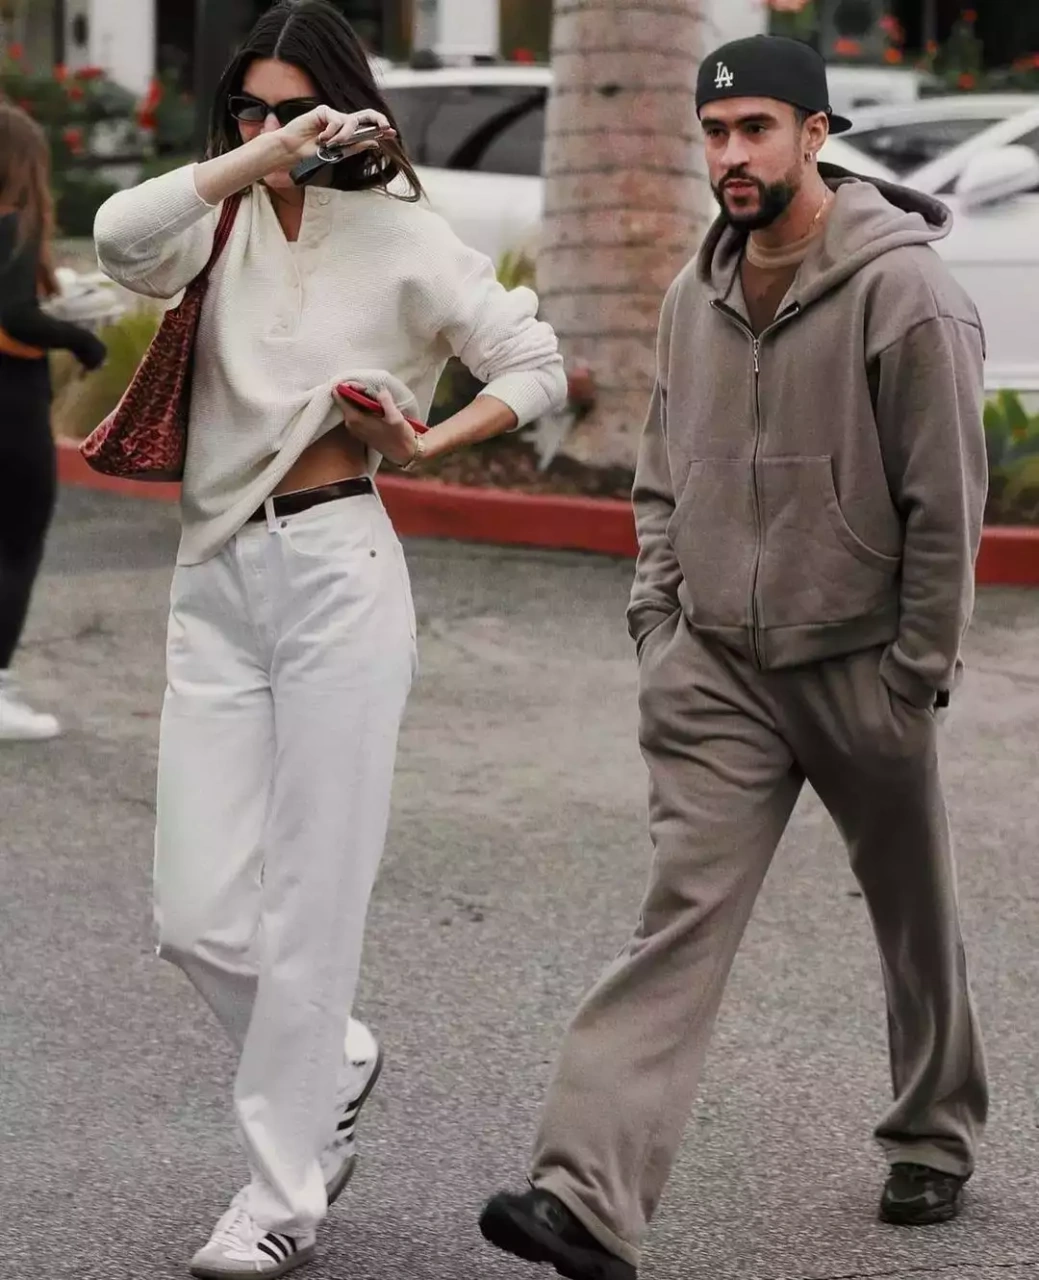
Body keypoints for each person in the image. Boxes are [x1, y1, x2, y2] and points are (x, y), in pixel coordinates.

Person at [480, 34, 988, 1280]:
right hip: (714, 666)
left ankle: (932, 1130)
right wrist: (659, 618)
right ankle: (583, 1196)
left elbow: (946, 503)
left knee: (913, 916)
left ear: (816, 133)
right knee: (678, 919)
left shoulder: (905, 293)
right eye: (714, 133)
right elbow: (660, 473)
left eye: (756, 128)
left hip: (860, 661)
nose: (730, 155)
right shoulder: (690, 292)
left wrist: (915, 670)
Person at [92, 2, 565, 1276]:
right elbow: (119, 236)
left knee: (312, 905)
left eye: (291, 107)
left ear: (346, 105)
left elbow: (534, 364)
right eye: (246, 106)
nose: (267, 126)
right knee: (196, 913)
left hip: (337, 569)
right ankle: (337, 1057)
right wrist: (253, 158)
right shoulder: (216, 218)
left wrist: (425, 440)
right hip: (214, 576)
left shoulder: (405, 236)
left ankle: (281, 1196)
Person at [0, 103, 106, 741]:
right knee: (17, 544)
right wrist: (82, 340)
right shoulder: (15, 221)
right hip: (10, 408)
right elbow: (14, 316)